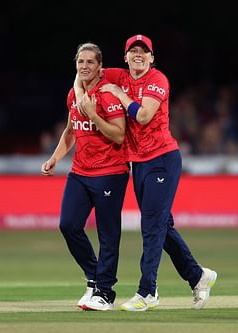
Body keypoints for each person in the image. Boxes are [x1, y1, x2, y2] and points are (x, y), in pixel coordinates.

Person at [98, 34, 217, 311]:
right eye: (133, 51)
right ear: (125, 57)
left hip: (162, 159)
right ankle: (198, 276)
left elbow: (142, 115)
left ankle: (147, 291)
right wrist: (80, 90)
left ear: (152, 58)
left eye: (144, 51)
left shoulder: (157, 80)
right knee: (162, 227)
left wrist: (118, 94)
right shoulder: (118, 74)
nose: (138, 55)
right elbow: (89, 70)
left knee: (151, 226)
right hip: (138, 162)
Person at [41, 42, 129, 311]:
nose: (85, 66)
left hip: (110, 173)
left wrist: (93, 114)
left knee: (108, 234)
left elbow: (119, 134)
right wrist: (55, 157)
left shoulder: (109, 96)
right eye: (81, 61)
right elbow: (70, 131)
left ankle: (104, 293)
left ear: (100, 66)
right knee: (68, 225)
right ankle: (94, 276)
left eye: (90, 62)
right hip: (80, 172)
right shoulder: (74, 95)